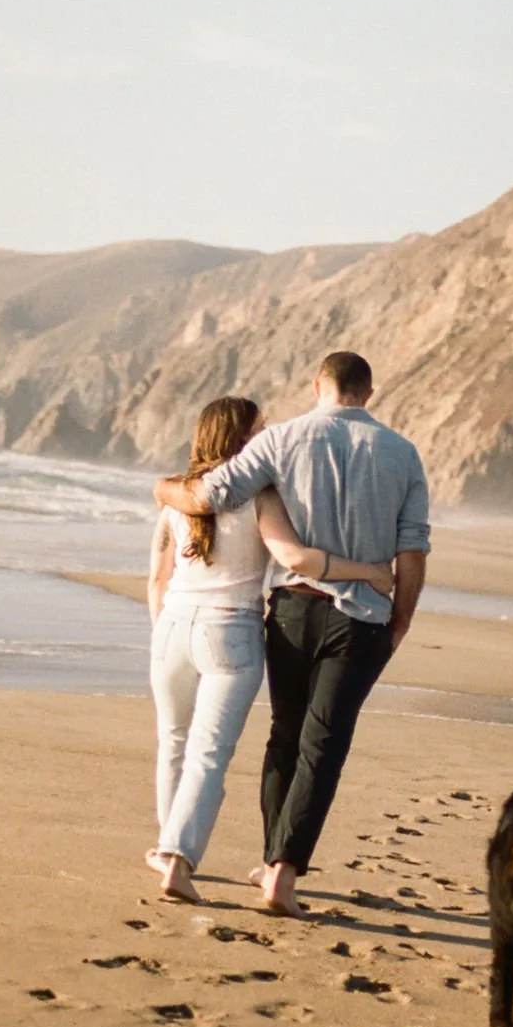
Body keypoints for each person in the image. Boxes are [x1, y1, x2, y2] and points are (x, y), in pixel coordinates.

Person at [154, 351, 429, 919]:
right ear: (368, 394)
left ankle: (250, 856)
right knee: (323, 744)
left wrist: (163, 490)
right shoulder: (403, 454)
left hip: (289, 615)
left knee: (284, 733)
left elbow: (211, 494)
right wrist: (399, 618)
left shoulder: (279, 440)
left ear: (317, 385)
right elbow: (413, 547)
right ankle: (281, 872)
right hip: (361, 619)